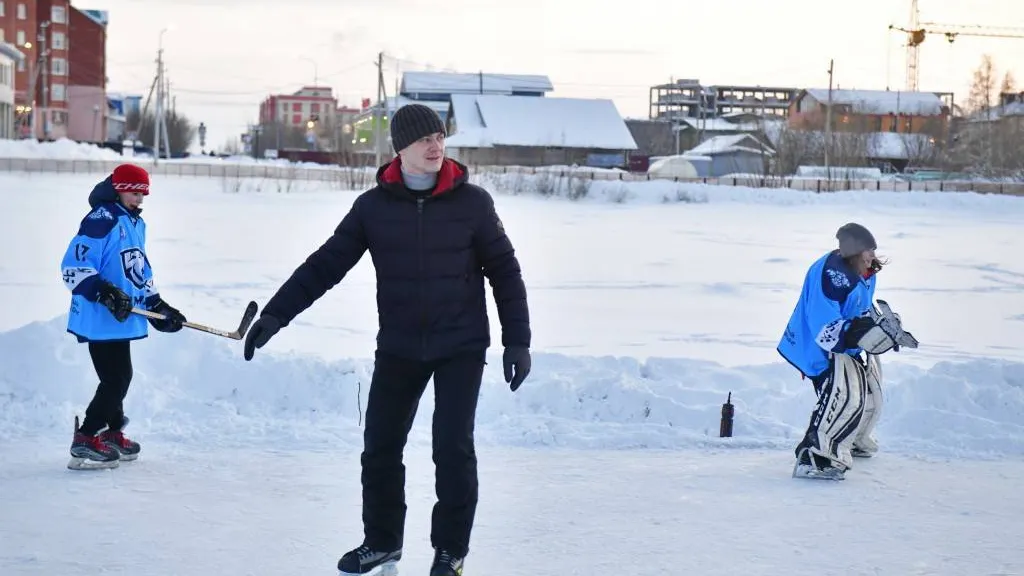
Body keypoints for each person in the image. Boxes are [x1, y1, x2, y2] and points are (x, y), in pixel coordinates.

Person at [242, 103, 532, 576]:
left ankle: (450, 550)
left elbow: (505, 271)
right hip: (399, 345)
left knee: (451, 446)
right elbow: (325, 265)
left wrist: (516, 340)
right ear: (401, 148)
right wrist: (276, 314)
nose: (436, 146)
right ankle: (381, 543)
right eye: (425, 139)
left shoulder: (472, 203)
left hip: (460, 345)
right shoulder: (373, 208)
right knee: (380, 446)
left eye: (440, 136)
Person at [60, 164, 187, 470]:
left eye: (144, 193)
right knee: (117, 378)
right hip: (99, 316)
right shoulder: (100, 220)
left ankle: (112, 432)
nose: (139, 199)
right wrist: (103, 292)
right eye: (134, 192)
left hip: (118, 318)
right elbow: (72, 267)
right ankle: (87, 437)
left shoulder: (134, 223)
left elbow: (138, 270)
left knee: (117, 377)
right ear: (118, 188)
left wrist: (157, 304)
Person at [777, 223, 902, 480]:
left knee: (867, 395)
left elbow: (860, 309)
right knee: (839, 394)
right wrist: (858, 332)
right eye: (867, 251)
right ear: (853, 251)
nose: (872, 257)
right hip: (817, 349)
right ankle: (815, 455)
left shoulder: (866, 273)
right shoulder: (830, 275)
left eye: (873, 250)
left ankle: (851, 438)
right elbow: (824, 325)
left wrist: (881, 330)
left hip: (846, 348)